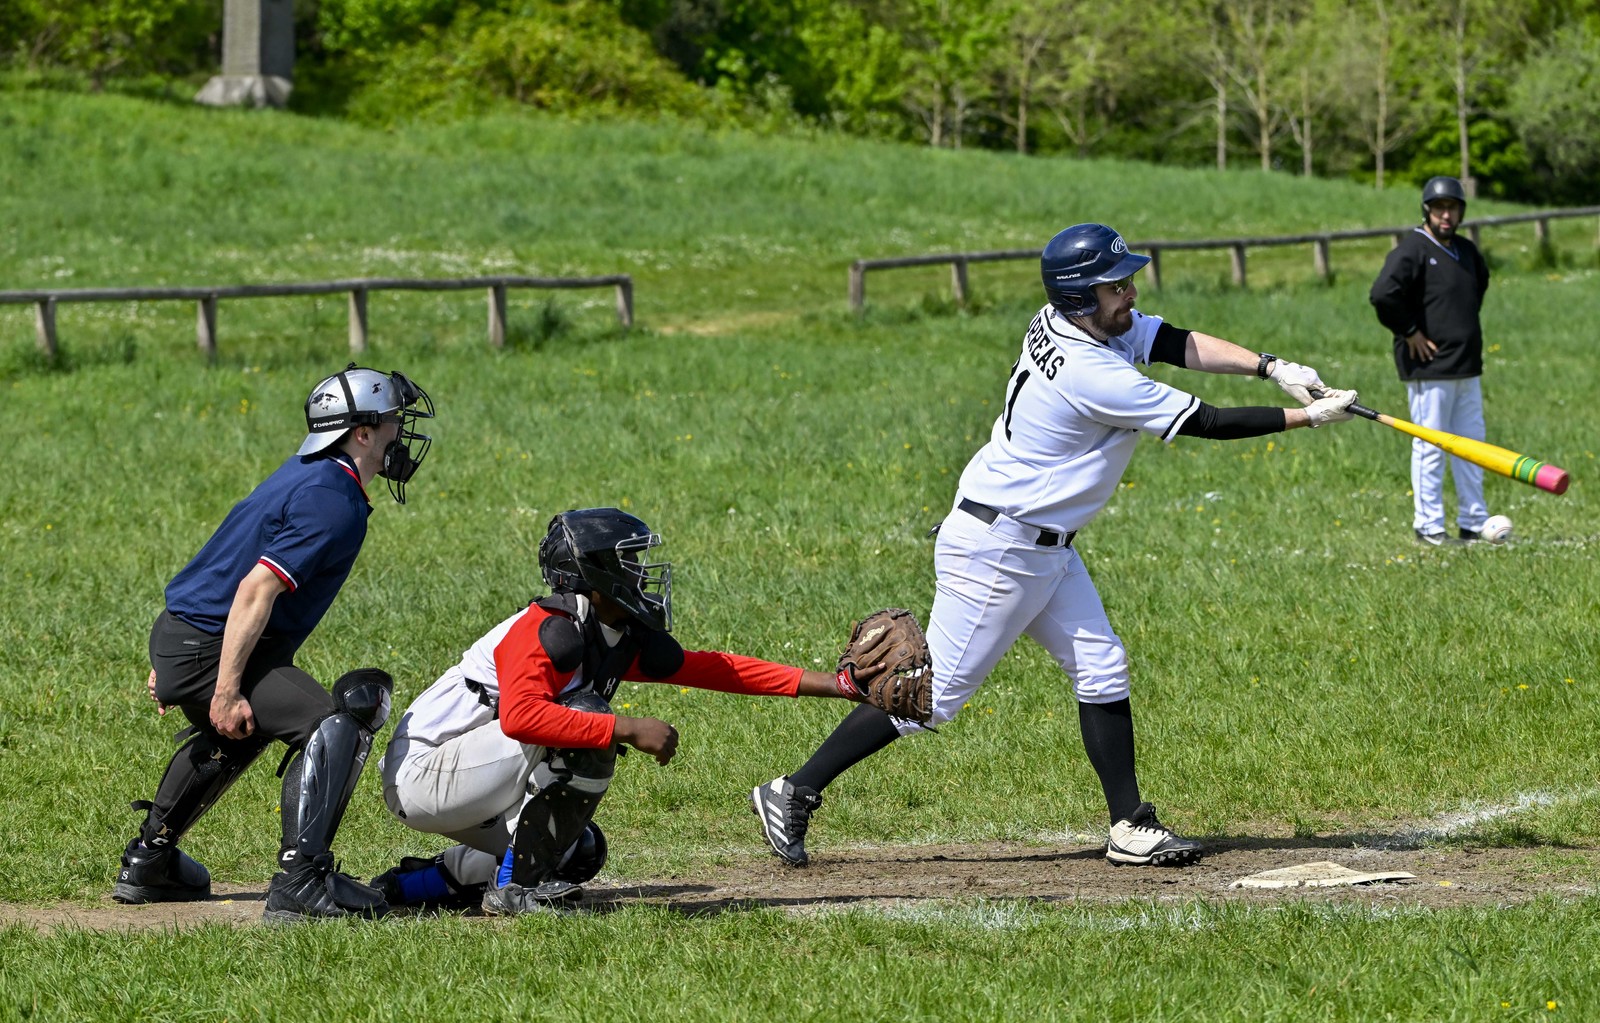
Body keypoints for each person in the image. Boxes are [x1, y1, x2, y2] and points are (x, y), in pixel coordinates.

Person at [750, 222, 1361, 870]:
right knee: (931, 700)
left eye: (1127, 280)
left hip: (1040, 543)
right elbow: (1203, 420)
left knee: (1102, 665)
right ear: (1080, 296)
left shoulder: (1081, 321)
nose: (1129, 292)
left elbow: (1170, 340)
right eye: (1115, 284)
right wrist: (1307, 418)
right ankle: (792, 789)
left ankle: (1129, 824)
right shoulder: (1091, 369)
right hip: (999, 549)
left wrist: (1273, 368)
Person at [372, 507, 884, 915]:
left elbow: (714, 669)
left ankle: (410, 886)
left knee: (579, 851)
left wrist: (839, 686)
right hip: (423, 774)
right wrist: (626, 727)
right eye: (629, 562)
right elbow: (521, 719)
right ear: (595, 575)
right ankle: (514, 891)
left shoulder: (602, 628)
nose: (641, 574)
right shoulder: (545, 628)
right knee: (585, 719)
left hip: (473, 773)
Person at [114, 363, 435, 923]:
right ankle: (302, 883)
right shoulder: (331, 499)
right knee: (336, 721)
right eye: (390, 423)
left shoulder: (308, 471)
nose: (397, 436)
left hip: (186, 635)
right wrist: (224, 686)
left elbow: (222, 560)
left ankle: (150, 861)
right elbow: (254, 588)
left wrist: (172, 655)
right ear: (360, 433)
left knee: (243, 728)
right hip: (207, 644)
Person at [1370, 176, 1493, 546]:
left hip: (1466, 365)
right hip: (1430, 368)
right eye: (1439, 208)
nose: (1445, 215)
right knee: (1432, 446)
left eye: (1452, 208)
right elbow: (1382, 295)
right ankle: (1429, 528)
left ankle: (1474, 522)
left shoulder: (1467, 251)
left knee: (1473, 446)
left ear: (1460, 212)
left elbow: (1478, 289)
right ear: (1427, 211)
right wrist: (1410, 331)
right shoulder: (1412, 250)